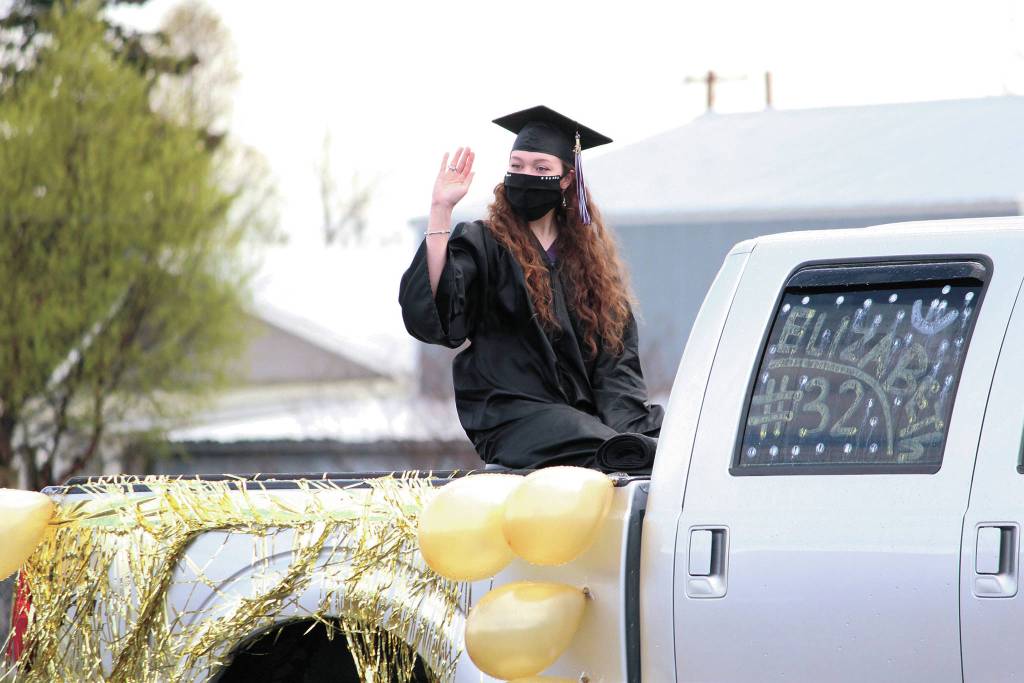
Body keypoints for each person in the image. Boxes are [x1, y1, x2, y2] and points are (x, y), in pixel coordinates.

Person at [398, 105, 664, 470]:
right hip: (511, 418)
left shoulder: (589, 267)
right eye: (517, 166)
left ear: (567, 179)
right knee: (613, 445)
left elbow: (616, 369)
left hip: (581, 426)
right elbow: (436, 313)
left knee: (655, 444)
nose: (526, 176)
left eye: (541, 168)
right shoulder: (484, 243)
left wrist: (640, 432)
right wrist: (440, 209)